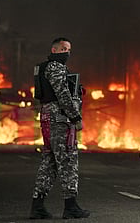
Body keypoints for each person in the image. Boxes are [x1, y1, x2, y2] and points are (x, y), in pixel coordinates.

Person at [29, 37, 90, 219]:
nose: (67, 52)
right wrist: (76, 117)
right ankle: (70, 206)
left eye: (69, 49)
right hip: (59, 119)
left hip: (50, 117)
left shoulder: (44, 68)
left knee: (50, 162)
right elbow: (62, 94)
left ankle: (37, 205)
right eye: (63, 48)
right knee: (68, 160)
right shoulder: (55, 67)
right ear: (54, 50)